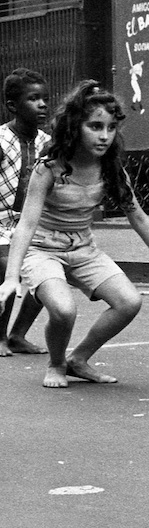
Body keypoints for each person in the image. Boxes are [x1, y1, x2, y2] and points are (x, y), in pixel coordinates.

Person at [0, 80, 149, 388]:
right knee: (63, 310)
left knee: (129, 302)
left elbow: (137, 216)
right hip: (42, 250)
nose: (104, 136)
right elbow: (26, 225)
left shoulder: (110, 168)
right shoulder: (49, 168)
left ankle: (78, 359)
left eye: (111, 128)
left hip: (83, 249)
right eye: (95, 126)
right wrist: (11, 278)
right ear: (76, 126)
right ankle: (57, 364)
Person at [0, 68, 51, 356]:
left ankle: (18, 334)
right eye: (33, 99)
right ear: (12, 105)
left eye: (45, 99)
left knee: (49, 269)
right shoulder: (1, 139)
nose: (42, 105)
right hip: (0, 225)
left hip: (30, 225)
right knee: (7, 265)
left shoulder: (48, 143)